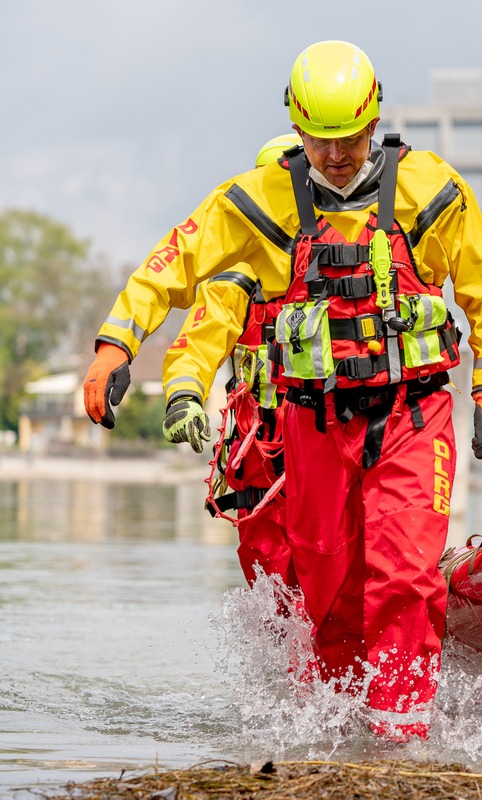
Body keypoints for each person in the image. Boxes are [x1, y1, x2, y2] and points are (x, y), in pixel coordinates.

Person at [82, 41, 482, 743]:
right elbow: (175, 260)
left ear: (374, 122)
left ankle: (401, 739)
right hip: (313, 424)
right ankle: (338, 735)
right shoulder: (259, 200)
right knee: (330, 590)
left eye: (348, 138)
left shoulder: (432, 190)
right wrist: (114, 345)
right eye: (320, 138)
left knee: (403, 575)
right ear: (297, 125)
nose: (335, 154)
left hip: (414, 412)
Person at [160, 133, 302, 591]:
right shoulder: (236, 282)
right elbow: (198, 341)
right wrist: (183, 394)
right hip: (263, 453)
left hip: (336, 436)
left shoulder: (355, 260)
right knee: (272, 574)